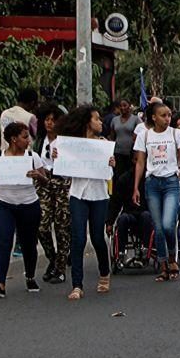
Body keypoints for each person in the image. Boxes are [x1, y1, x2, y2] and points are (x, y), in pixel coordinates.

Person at [53, 105, 117, 300]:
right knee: (78, 238)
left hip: (99, 195)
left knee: (97, 237)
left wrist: (111, 165)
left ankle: (104, 273)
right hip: (78, 194)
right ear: (87, 122)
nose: (100, 123)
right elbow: (65, 173)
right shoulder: (73, 145)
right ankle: (77, 285)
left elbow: (109, 174)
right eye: (97, 119)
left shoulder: (103, 144)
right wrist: (58, 158)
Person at [0, 122, 48, 298]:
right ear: (13, 139)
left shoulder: (32, 156)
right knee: (3, 243)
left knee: (28, 244)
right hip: (4, 205)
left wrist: (38, 176)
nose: (28, 140)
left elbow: (46, 181)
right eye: (25, 136)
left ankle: (30, 276)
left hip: (29, 204)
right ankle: (0, 284)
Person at [133, 101, 180, 282]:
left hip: (171, 181)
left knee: (168, 224)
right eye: (163, 115)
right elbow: (140, 162)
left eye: (169, 115)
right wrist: (136, 188)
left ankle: (172, 255)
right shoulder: (144, 135)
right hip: (152, 183)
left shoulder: (176, 133)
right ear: (153, 117)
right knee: (158, 228)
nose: (167, 119)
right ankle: (163, 265)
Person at [35, 104, 71, 283]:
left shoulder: (65, 141)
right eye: (47, 119)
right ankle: (53, 258)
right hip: (43, 183)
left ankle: (60, 268)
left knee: (61, 226)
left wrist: (63, 157)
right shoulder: (40, 141)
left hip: (62, 183)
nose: (50, 123)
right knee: (42, 226)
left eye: (53, 120)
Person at [106, 168, 154, 268]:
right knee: (123, 219)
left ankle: (145, 249)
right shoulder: (124, 179)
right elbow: (116, 202)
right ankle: (121, 252)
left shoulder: (149, 178)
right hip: (129, 212)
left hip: (146, 212)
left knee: (146, 216)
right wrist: (110, 222)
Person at [109, 99, 140, 183]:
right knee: (118, 175)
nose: (122, 108)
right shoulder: (114, 120)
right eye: (120, 106)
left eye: (125, 105)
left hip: (130, 153)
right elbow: (112, 137)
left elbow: (140, 136)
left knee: (128, 177)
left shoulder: (136, 120)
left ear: (129, 106)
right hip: (118, 152)